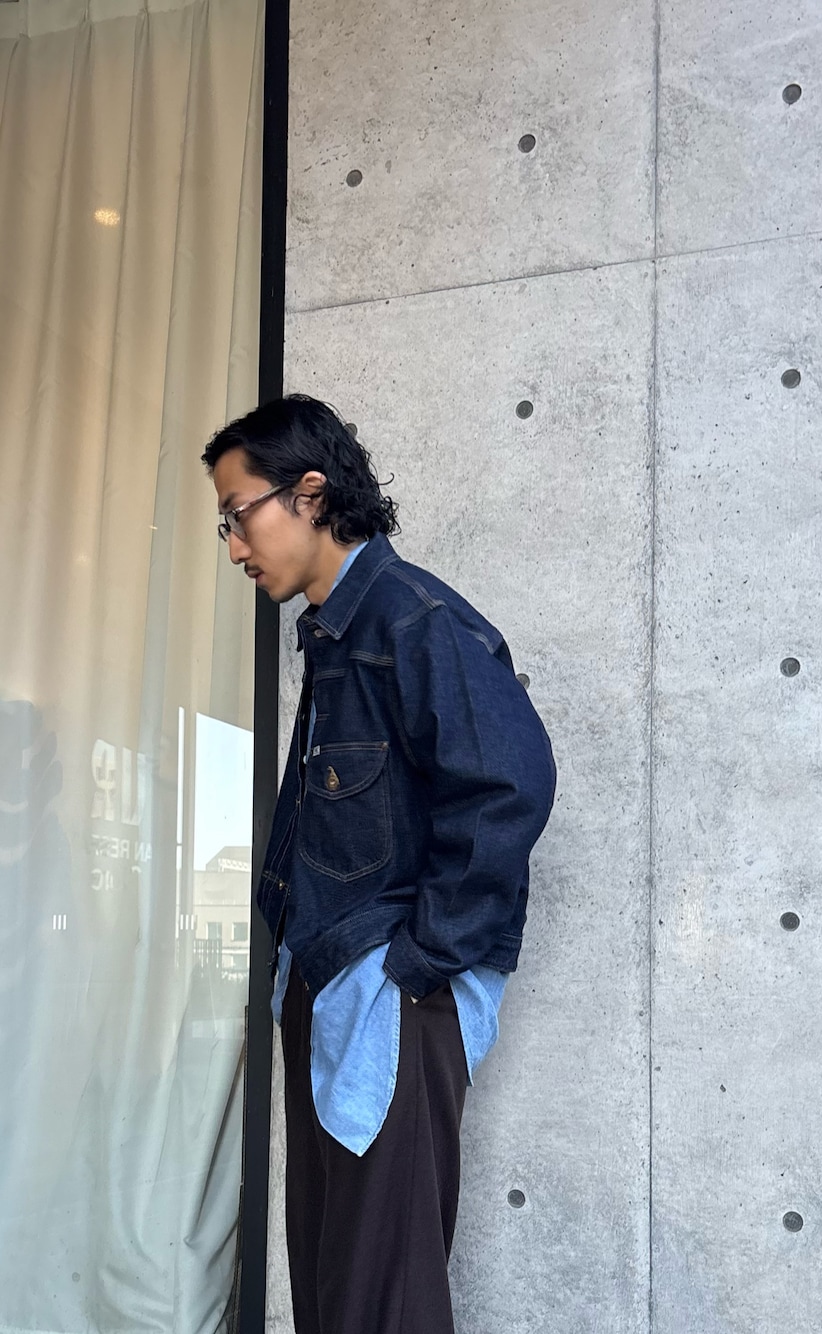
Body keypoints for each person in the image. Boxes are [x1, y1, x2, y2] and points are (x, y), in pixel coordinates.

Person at [202, 394, 556, 1334]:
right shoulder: (336, 635)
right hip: (332, 982)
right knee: (334, 1282)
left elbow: (510, 785)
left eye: (238, 515)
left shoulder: (411, 621)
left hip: (390, 998)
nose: (233, 547)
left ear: (310, 494)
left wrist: (417, 963)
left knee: (384, 1295)